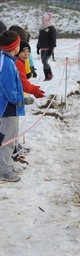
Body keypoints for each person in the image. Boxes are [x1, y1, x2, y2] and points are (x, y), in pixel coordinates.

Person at [0, 30, 25, 182]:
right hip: (8, 107)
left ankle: (5, 165)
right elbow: (8, 86)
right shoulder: (7, 63)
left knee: (6, 137)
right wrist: (17, 99)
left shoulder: (6, 59)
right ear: (15, 47)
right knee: (8, 139)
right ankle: (4, 170)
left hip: (6, 106)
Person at [37, 12, 56, 81]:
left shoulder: (51, 28)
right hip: (42, 47)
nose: (42, 19)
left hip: (48, 48)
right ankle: (46, 76)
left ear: (46, 18)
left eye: (43, 18)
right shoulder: (42, 28)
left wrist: (51, 48)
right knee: (43, 62)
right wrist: (38, 47)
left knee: (44, 61)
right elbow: (40, 38)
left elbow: (53, 38)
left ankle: (50, 74)